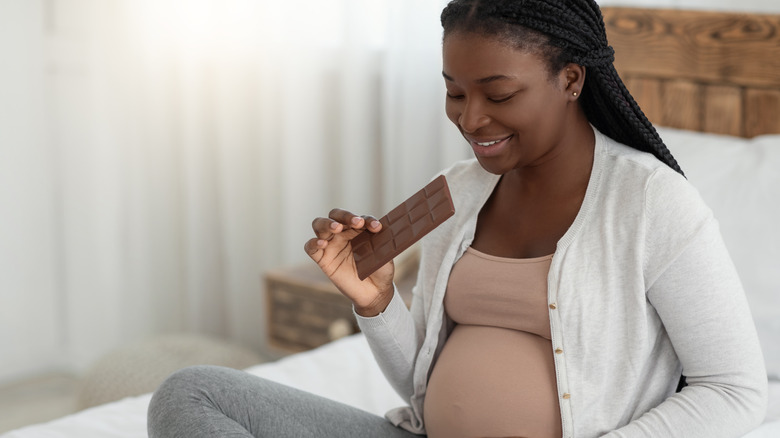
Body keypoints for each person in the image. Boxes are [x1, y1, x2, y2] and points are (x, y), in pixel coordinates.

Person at [147, 1, 768, 437]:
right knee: (192, 393)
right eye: (454, 92)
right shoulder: (457, 191)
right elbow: (422, 387)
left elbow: (734, 390)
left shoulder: (652, 205)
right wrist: (376, 302)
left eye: (498, 95)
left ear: (571, 78)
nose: (470, 119)